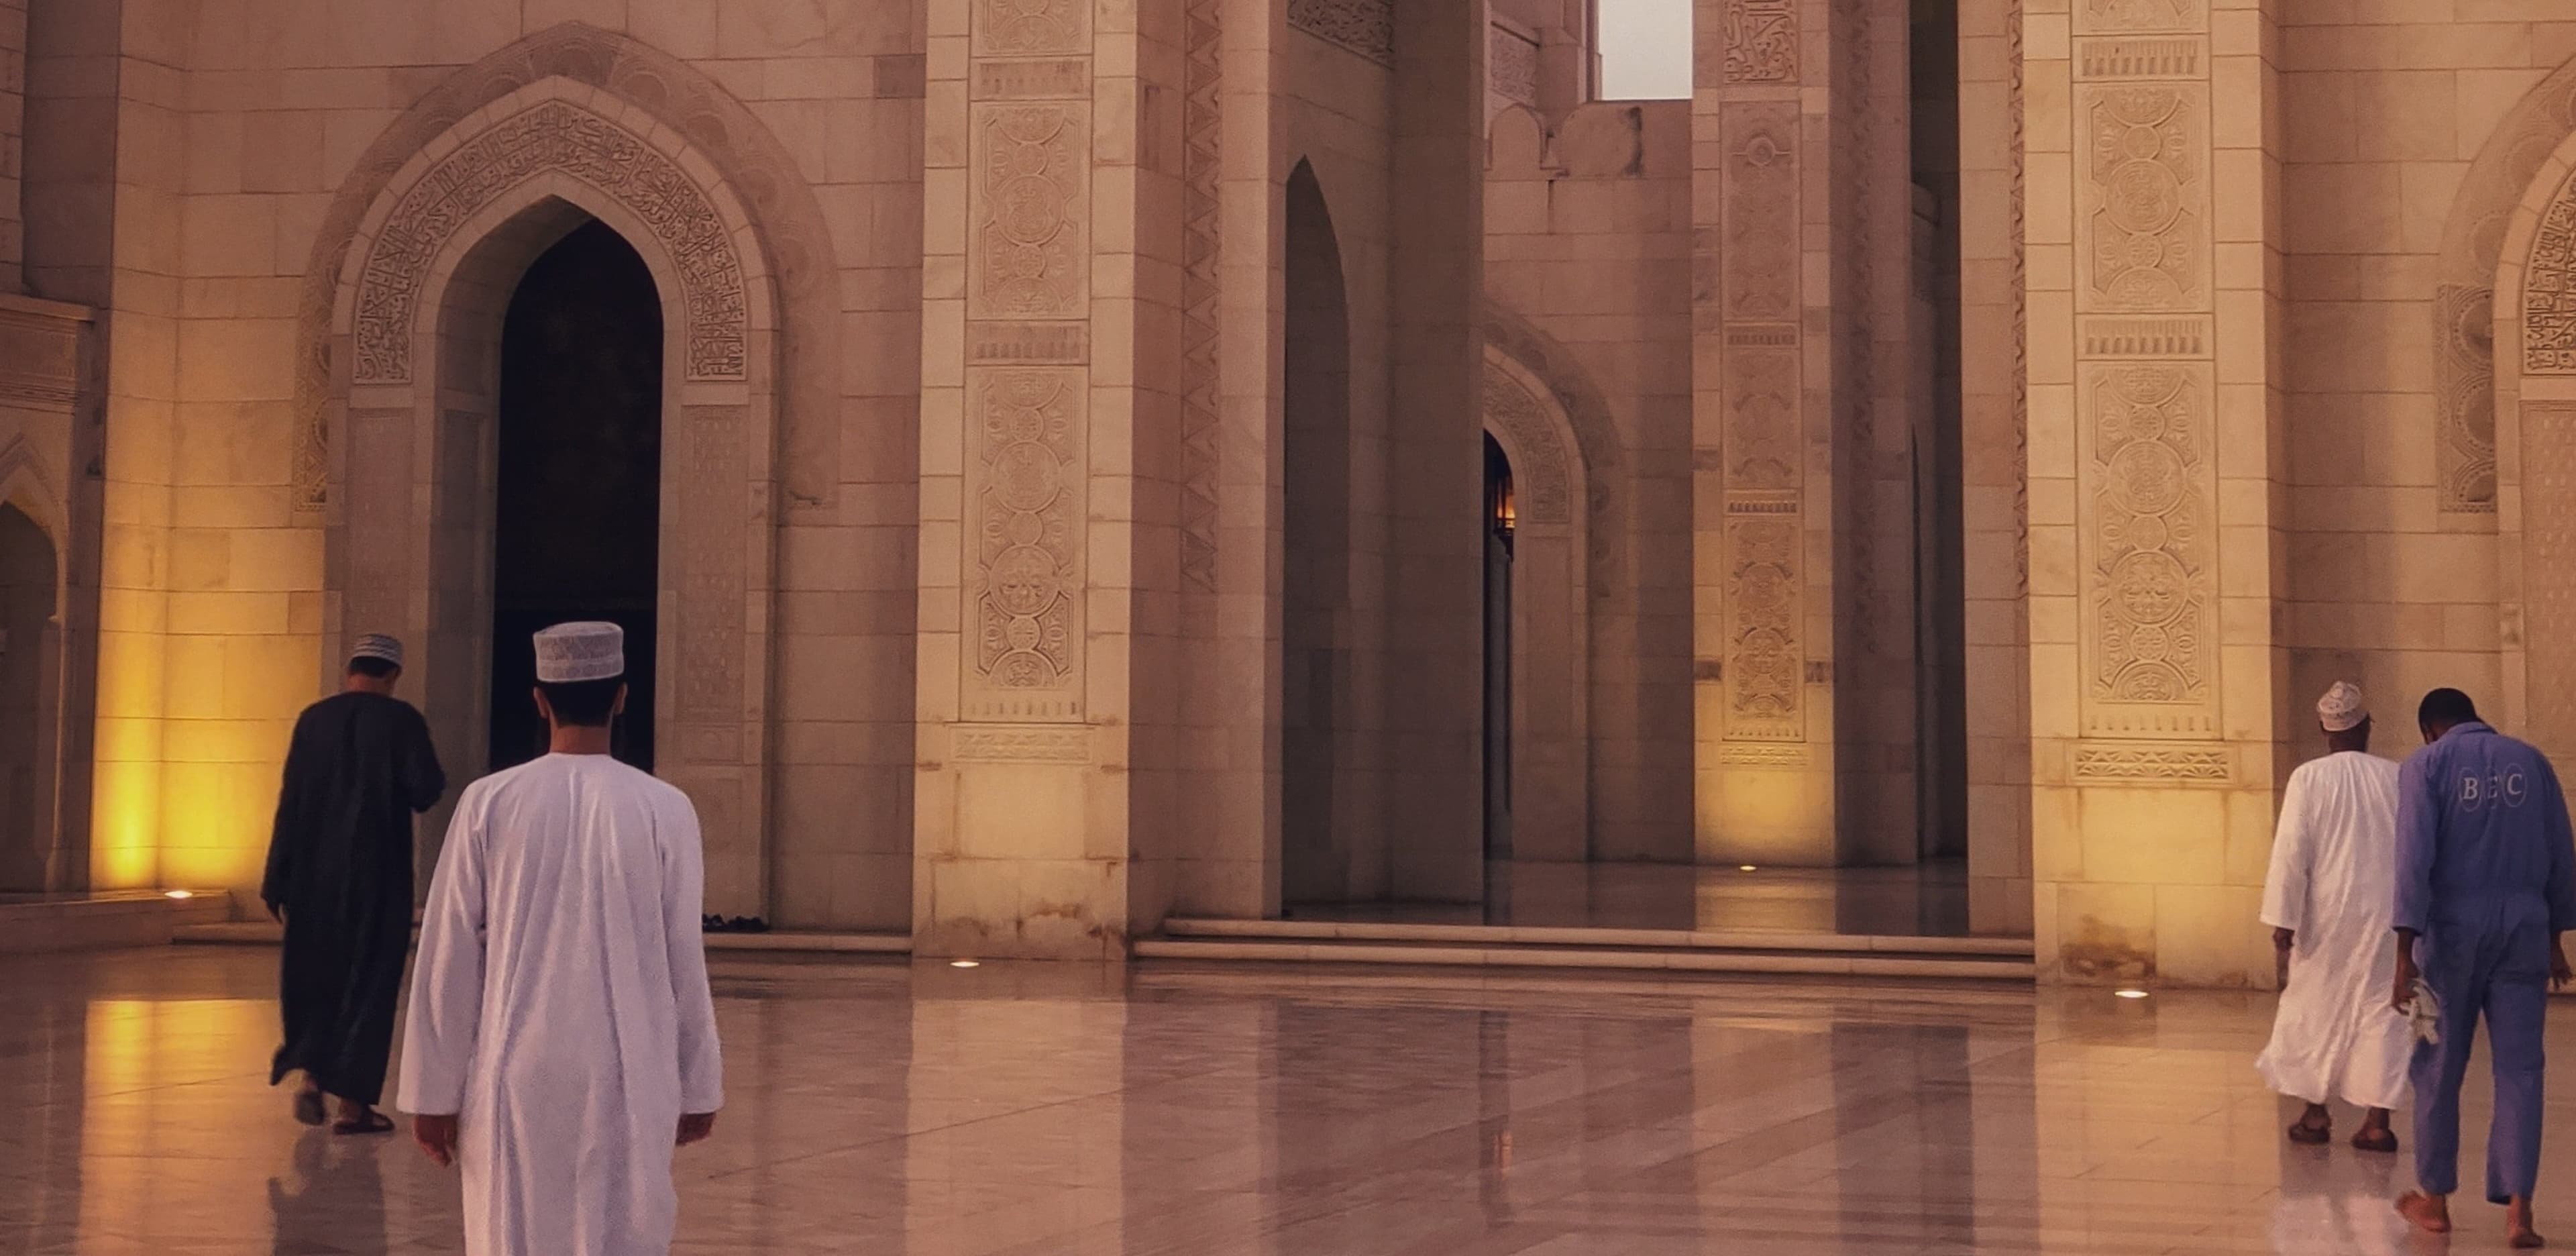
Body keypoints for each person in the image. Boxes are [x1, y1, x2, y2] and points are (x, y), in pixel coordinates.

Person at [398, 621, 722, 1256]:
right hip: (632, 1072)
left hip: (515, 1071)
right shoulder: (665, 808)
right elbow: (683, 958)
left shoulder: (488, 802)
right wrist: (698, 1081)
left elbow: (449, 954)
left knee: (513, 1234)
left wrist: (432, 1094)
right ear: (622, 697)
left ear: (540, 700)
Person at [2390, 688, 2576, 1247]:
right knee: (2522, 1070)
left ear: (2430, 729)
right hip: (2523, 928)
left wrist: (2403, 953)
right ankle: (2520, 1211)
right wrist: (2557, 938)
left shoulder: (2426, 765)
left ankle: (2436, 1200)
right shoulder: (2531, 762)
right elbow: (2561, 851)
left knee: (2438, 1066)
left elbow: (2413, 859)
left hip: (2450, 937)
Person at [262, 633, 445, 1135]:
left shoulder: (313, 720)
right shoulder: (400, 721)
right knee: (369, 983)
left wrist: (276, 876)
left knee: (316, 976)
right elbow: (426, 789)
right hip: (376, 876)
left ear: (350, 670)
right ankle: (354, 1105)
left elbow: (291, 799)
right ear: (392, 675)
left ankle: (312, 1077)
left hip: (312, 877)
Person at [2257, 681, 2411, 1153]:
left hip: (2325, 916)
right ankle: (2376, 1122)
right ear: (2367, 726)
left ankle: (2315, 1113)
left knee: (2314, 1007)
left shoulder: (2309, 778)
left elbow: (2291, 853)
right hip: (2386, 915)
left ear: (2324, 731)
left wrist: (2283, 919)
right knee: (2383, 1010)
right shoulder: (2397, 776)